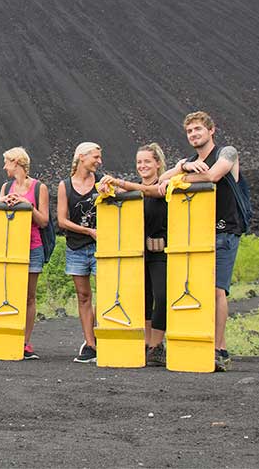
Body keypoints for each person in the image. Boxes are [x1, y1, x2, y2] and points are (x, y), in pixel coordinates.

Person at [159, 111, 245, 372]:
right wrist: (183, 166)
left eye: (198, 129)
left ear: (211, 130)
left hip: (224, 230)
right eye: (189, 131)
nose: (194, 134)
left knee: (218, 290)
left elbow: (213, 176)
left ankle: (219, 349)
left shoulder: (227, 153)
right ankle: (205, 342)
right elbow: (161, 179)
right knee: (199, 289)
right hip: (197, 232)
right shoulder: (190, 160)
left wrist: (180, 178)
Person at [103, 143, 168, 366]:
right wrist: (107, 189)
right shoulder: (135, 191)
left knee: (162, 296)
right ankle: (148, 345)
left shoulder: (163, 185)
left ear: (158, 163)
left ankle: (158, 344)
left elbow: (151, 192)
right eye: (139, 162)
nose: (142, 166)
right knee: (144, 298)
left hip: (161, 252)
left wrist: (119, 182)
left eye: (147, 161)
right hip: (138, 254)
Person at [0, 148, 49, 360]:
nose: (4, 167)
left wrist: (27, 205)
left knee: (28, 296)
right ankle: (9, 337)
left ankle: (25, 342)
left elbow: (44, 221)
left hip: (32, 246)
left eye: (6, 163)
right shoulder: (6, 186)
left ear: (16, 162)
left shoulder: (39, 188)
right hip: (10, 246)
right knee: (9, 293)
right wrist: (5, 202)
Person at [57, 142, 102, 364]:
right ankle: (90, 343)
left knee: (104, 293)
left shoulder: (102, 182)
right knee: (83, 296)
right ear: (82, 157)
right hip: (76, 246)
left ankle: (104, 336)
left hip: (100, 247)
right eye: (95, 157)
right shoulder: (65, 185)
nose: (99, 161)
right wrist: (87, 231)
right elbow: (62, 220)